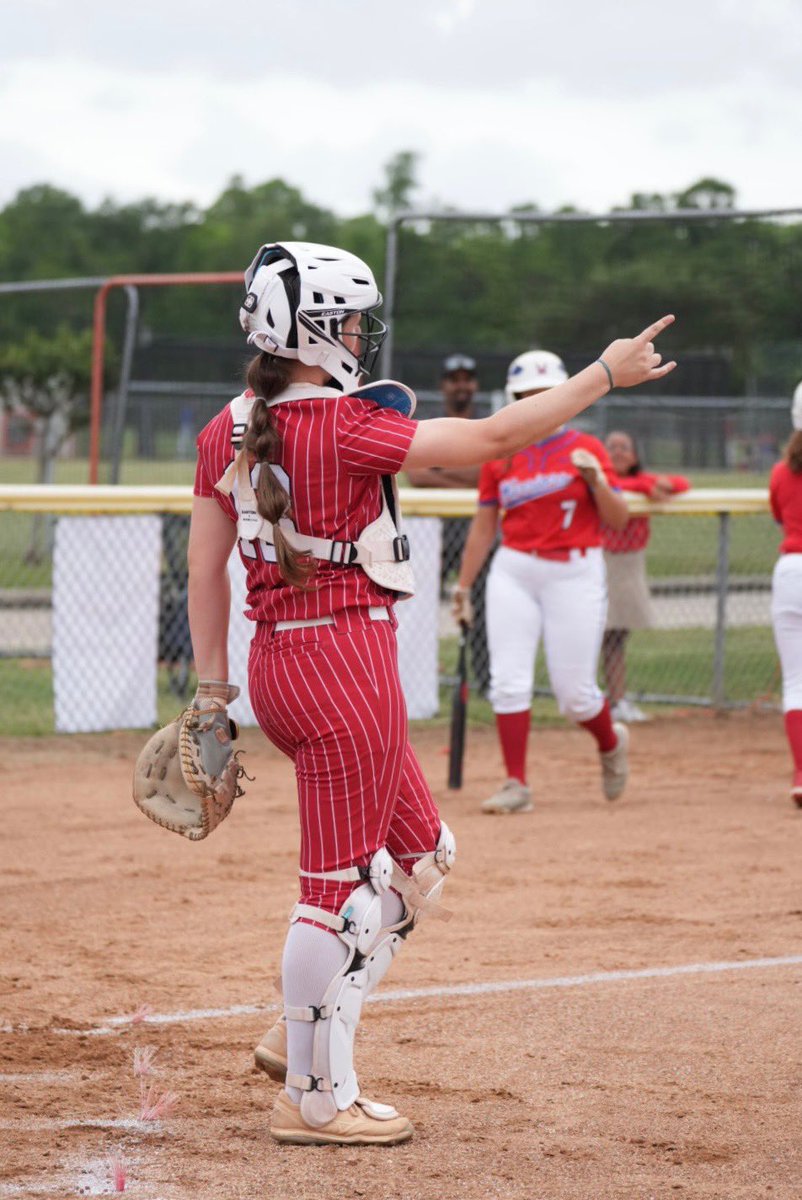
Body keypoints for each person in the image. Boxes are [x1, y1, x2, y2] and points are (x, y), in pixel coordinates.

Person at [188, 239, 676, 1145]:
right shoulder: (338, 422)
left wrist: (213, 691)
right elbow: (493, 438)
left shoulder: (225, 427)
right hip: (343, 667)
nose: (358, 336)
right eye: (345, 322)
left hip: (281, 666)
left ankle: (302, 1027)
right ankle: (314, 1096)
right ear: (310, 330)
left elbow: (203, 572)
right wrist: (602, 373)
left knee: (421, 860)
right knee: (334, 889)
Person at [452, 350, 632, 815]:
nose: (536, 403)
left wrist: (597, 482)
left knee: (575, 696)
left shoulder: (586, 448)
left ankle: (611, 743)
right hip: (514, 570)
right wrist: (463, 586)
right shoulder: (502, 453)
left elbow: (619, 518)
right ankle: (516, 783)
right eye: (526, 396)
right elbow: (484, 525)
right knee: (508, 682)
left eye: (544, 394)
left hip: (574, 571)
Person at [406, 353, 491, 694]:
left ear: (474, 385)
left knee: (482, 605)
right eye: (453, 379)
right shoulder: (429, 425)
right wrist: (469, 474)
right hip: (435, 531)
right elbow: (417, 475)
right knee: (419, 604)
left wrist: (442, 466)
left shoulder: (487, 424)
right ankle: (414, 679)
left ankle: (484, 681)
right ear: (443, 385)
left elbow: (489, 474)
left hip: (475, 529)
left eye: (466, 379)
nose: (460, 385)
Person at [601, 431, 690, 722]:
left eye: (624, 448)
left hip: (629, 564)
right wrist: (645, 486)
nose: (617, 452)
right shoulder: (601, 482)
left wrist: (655, 484)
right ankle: (607, 700)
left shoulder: (643, 480)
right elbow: (621, 487)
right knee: (605, 634)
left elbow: (681, 483)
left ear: (636, 455)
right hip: (602, 562)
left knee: (618, 634)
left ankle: (617, 699)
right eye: (611, 447)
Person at [770, 380, 802, 807]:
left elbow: (779, 513)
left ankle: (801, 774)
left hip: (791, 572)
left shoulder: (782, 470)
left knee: (797, 683)